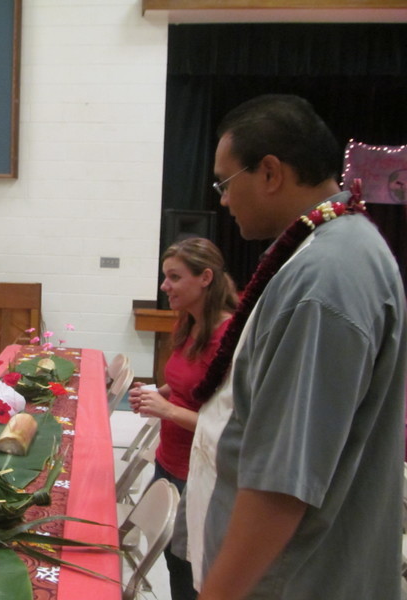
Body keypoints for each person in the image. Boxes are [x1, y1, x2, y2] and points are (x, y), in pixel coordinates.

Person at [183, 94, 407, 599]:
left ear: (269, 172)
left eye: (224, 183)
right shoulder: (335, 249)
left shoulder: (322, 279)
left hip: (296, 580)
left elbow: (282, 484)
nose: (221, 199)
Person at [128, 237, 237, 600]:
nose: (164, 286)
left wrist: (169, 411)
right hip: (169, 461)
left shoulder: (229, 338)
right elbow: (186, 381)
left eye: (174, 277)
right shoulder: (188, 324)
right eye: (165, 277)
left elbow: (229, 426)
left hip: (199, 472)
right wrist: (159, 393)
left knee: (190, 569)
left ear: (205, 277)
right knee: (175, 562)